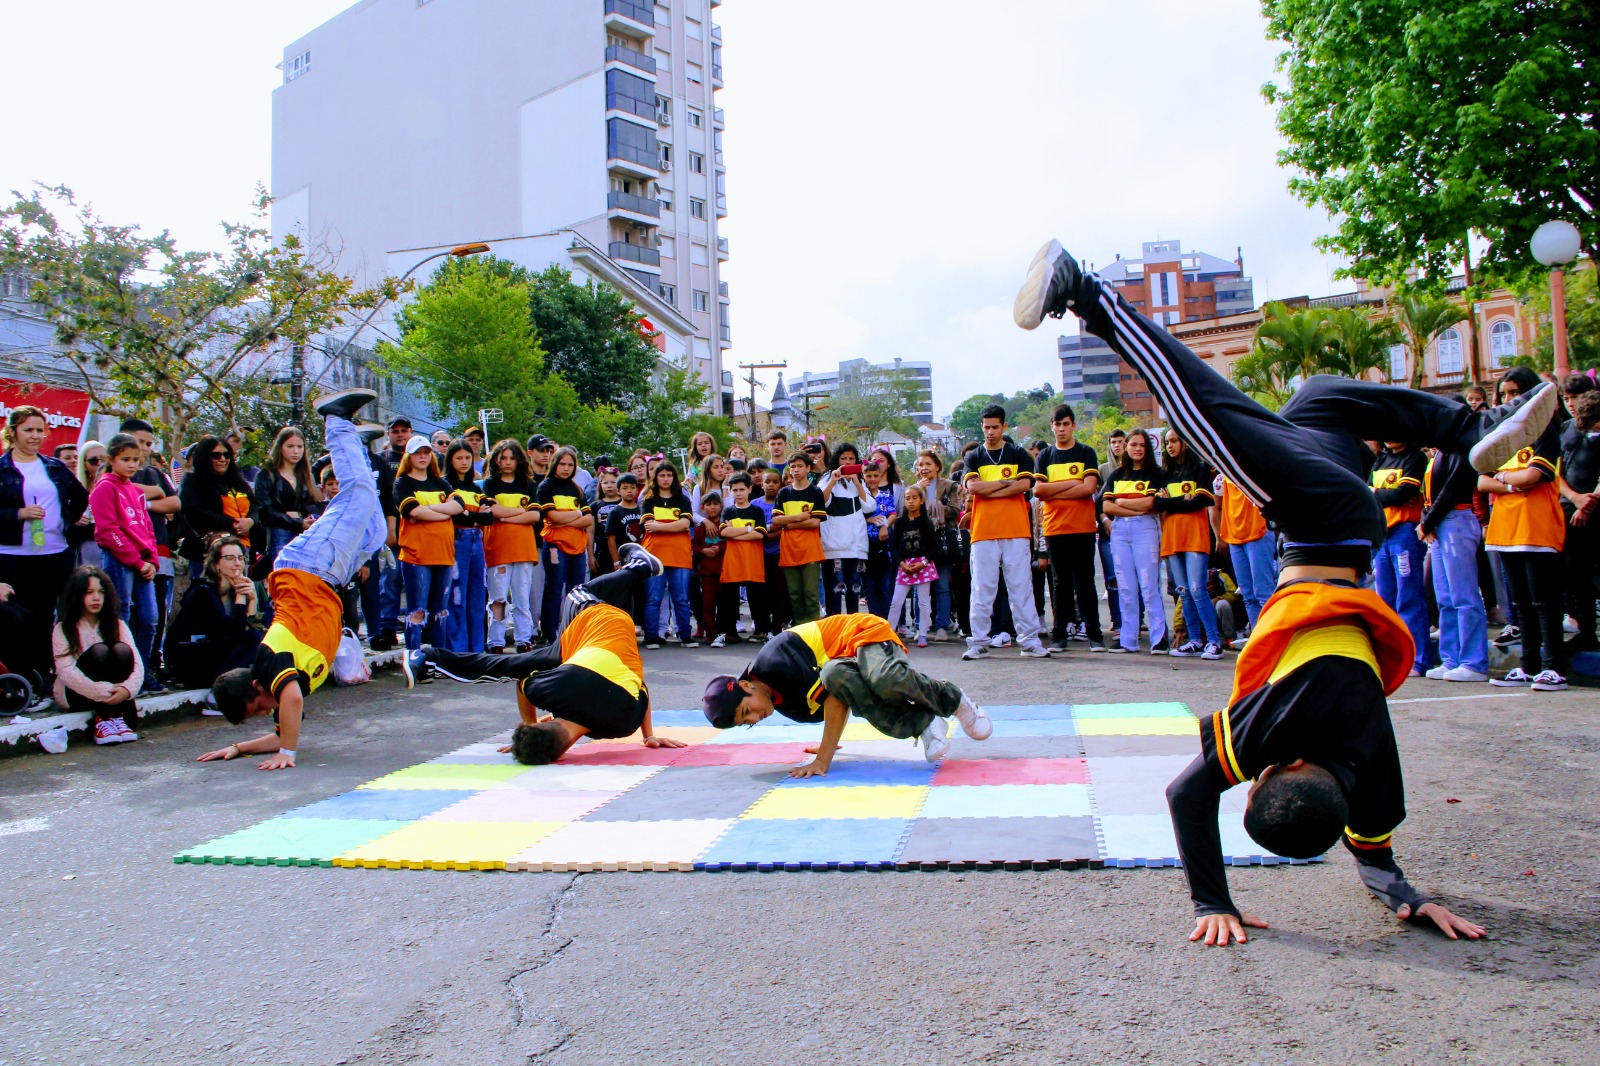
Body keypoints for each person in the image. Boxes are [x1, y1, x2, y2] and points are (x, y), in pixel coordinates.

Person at [1014, 238, 1549, 946]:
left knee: (1316, 399)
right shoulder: (1282, 728)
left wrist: (1406, 896)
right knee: (1204, 409)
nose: (1258, 769)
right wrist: (1212, 902)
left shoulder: (1363, 763)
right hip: (1315, 521)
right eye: (1264, 778)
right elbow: (1187, 792)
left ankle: (1465, 430)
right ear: (1287, 766)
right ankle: (1082, 290)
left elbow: (1375, 848)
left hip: (1343, 532)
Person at [200, 389, 386, 770]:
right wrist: (239, 747)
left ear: (255, 689)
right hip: (322, 573)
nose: (268, 712)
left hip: (308, 567)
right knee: (374, 533)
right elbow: (281, 730)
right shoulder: (275, 685)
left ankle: (335, 420)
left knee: (359, 494)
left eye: (258, 710)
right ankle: (357, 449)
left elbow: (292, 710)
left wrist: (288, 754)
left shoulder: (271, 663)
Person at [406, 545, 686, 763]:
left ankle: (429, 660)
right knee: (575, 594)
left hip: (589, 645)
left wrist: (648, 735)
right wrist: (529, 725)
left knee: (518, 662)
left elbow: (642, 689)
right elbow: (521, 683)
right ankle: (639, 567)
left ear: (561, 755)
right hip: (596, 624)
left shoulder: (622, 724)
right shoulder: (547, 692)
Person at [701, 613, 992, 775]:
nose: (755, 718)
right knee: (842, 681)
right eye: (747, 723)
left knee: (883, 678)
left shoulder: (774, 662)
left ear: (745, 685)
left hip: (862, 636)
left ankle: (953, 698)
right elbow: (844, 699)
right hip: (845, 666)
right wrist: (825, 743)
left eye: (746, 711)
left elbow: (834, 701)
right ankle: (925, 722)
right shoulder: (785, 704)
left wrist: (823, 758)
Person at [1483, 366, 1568, 691]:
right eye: (1504, 394)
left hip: (1537, 529)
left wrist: (1501, 479)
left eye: (1515, 392)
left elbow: (1535, 477)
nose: (1509, 399)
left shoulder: (1545, 430)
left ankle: (1554, 668)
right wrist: (1511, 482)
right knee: (1520, 605)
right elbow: (1480, 480)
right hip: (1505, 531)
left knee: (1544, 602)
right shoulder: (1501, 436)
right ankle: (1529, 665)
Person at [1, 406, 89, 691]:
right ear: (12, 431)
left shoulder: (53, 466)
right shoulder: (3, 468)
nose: (35, 436)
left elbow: (80, 497)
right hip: (13, 556)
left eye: (40, 430)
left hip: (53, 554)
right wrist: (18, 514)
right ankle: (19, 678)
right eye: (28, 430)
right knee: (18, 620)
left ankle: (43, 676)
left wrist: (64, 522)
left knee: (47, 618)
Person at [960, 405, 1050, 659]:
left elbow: (1025, 485)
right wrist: (1006, 484)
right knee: (982, 588)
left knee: (1021, 587)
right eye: (986, 427)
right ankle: (978, 641)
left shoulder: (1018, 453)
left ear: (1004, 427)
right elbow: (973, 489)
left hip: (1015, 529)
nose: (990, 432)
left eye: (995, 427)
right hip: (983, 531)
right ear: (982, 427)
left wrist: (991, 488)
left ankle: (1029, 640)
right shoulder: (974, 456)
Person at [90, 434, 162, 682]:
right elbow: (109, 531)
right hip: (120, 560)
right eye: (125, 459)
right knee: (123, 617)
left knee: (150, 619)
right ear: (111, 460)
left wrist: (152, 561)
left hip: (143, 563)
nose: (131, 465)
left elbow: (147, 528)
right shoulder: (105, 487)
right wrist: (136, 561)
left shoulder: (133, 490)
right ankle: (123, 672)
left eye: (135, 460)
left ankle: (141, 671)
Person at [1034, 403, 1105, 654]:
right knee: (1059, 584)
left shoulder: (1086, 452)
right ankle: (1059, 635)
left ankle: (1095, 635)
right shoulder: (1044, 456)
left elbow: (1089, 489)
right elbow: (1039, 491)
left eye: (1066, 424)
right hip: (1055, 529)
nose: (1062, 428)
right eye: (1057, 424)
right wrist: (1074, 483)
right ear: (1052, 427)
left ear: (1073, 425)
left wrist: (1057, 490)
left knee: (1085, 582)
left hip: (1083, 527)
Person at [1420, 429, 1489, 682]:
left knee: (1464, 595)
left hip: (1456, 522)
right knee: (1445, 598)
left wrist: (1427, 522)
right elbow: (1428, 495)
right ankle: (1451, 658)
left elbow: (1451, 490)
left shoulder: (1460, 450)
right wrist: (1427, 521)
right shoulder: (1437, 454)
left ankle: (1474, 661)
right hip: (1439, 526)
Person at [118, 418, 180, 691]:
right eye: (138, 442)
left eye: (147, 444)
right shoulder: (113, 476)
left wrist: (144, 500)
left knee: (153, 616)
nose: (143, 449)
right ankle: (126, 672)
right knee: (127, 614)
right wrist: (149, 496)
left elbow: (174, 502)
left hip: (157, 550)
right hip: (125, 554)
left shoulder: (155, 474)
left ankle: (148, 668)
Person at [52, 565, 144, 744]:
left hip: (115, 692)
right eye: (89, 592)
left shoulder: (117, 625)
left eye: (101, 592)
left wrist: (126, 690)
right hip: (77, 692)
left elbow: (137, 663)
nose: (96, 598)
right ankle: (102, 721)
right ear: (77, 595)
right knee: (100, 651)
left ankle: (116, 719)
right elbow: (66, 671)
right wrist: (102, 692)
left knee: (121, 650)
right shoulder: (63, 628)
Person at [393, 433, 464, 656]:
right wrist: (443, 510)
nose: (423, 457)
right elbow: (412, 510)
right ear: (409, 457)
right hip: (417, 555)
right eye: (418, 454)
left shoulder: (440, 482)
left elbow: (459, 505)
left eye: (426, 453)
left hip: (443, 554)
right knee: (417, 610)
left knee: (440, 611)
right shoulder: (402, 482)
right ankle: (414, 658)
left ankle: (439, 659)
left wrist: (429, 510)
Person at [164, 535, 262, 692]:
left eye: (241, 558)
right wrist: (242, 598)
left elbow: (253, 630)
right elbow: (229, 631)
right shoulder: (203, 591)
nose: (237, 563)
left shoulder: (233, 592)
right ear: (216, 563)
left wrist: (253, 601)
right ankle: (219, 693)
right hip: (190, 663)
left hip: (215, 656)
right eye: (230, 558)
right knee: (252, 638)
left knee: (257, 639)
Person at [1157, 430, 1223, 659]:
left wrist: (1170, 503)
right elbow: (1157, 502)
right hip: (1173, 537)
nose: (1170, 446)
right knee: (1183, 591)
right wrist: (1180, 501)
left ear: (1184, 442)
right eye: (1167, 442)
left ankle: (1214, 641)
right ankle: (1194, 640)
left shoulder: (1200, 469)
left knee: (1197, 589)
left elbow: (1203, 500)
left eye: (1174, 441)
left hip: (1195, 536)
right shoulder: (1165, 473)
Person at [1102, 432, 1167, 654]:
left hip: (1145, 528)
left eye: (1142, 445)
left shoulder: (1155, 474)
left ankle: (1159, 638)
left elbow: (1151, 503)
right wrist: (1127, 506)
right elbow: (1106, 507)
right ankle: (1127, 639)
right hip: (1120, 531)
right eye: (1133, 444)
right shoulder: (1117, 475)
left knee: (1149, 586)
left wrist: (1120, 501)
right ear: (1126, 447)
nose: (1137, 448)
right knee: (1126, 587)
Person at [1369, 440, 1430, 675]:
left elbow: (1405, 492)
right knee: (1385, 599)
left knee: (1409, 596)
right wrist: (1384, 494)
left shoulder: (1415, 458)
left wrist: (1379, 493)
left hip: (1405, 531)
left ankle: (1417, 658)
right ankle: (1391, 658)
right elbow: (1370, 491)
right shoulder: (1382, 459)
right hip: (1383, 533)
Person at [481, 439, 543, 653]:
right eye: (503, 458)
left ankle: (523, 638)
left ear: (519, 460)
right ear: (496, 460)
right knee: (498, 596)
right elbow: (492, 512)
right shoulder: (489, 484)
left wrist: (506, 516)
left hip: (524, 547)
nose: (507, 462)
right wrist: (520, 512)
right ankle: (496, 641)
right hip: (498, 547)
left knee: (521, 597)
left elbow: (535, 515)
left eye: (511, 458)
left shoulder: (528, 485)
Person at [537, 446, 594, 640]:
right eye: (562, 464)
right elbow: (552, 517)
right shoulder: (546, 486)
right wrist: (577, 515)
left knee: (576, 591)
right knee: (554, 589)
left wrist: (568, 518)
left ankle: (574, 633)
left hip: (578, 547)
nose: (566, 468)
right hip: (555, 545)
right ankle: (550, 634)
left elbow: (589, 519)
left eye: (570, 465)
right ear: (555, 464)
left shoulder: (576, 489)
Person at [179, 435, 256, 578]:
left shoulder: (238, 482)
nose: (222, 459)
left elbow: (255, 508)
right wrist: (232, 523)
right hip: (207, 552)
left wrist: (250, 521)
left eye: (226, 455)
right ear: (205, 457)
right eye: (216, 455)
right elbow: (193, 512)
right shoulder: (192, 481)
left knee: (240, 595)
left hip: (241, 550)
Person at [1559, 391, 1600, 655]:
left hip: (1591, 510)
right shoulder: (1567, 429)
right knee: (1576, 576)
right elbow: (1557, 469)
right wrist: (1574, 498)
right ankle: (1586, 633)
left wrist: (1588, 504)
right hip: (1569, 510)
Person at [639, 460, 696, 649]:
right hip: (654, 555)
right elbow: (648, 526)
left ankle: (685, 635)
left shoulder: (683, 499)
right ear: (655, 477)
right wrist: (674, 526)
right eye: (661, 475)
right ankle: (652, 636)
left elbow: (685, 524)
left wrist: (660, 526)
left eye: (669, 475)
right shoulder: (648, 499)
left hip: (679, 555)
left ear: (674, 477)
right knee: (654, 597)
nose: (665, 479)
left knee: (680, 597)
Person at [443, 438, 492, 653]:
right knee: (457, 597)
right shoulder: (445, 484)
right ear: (450, 460)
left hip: (476, 542)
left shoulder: (475, 487)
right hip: (456, 540)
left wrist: (466, 514)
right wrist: (474, 516)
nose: (464, 462)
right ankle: (458, 649)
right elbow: (455, 517)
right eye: (459, 458)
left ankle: (477, 649)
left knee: (477, 597)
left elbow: (488, 518)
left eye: (467, 458)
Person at [1216, 475, 1273, 647]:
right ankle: (1258, 641)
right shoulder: (1223, 475)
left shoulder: (1251, 464)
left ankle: (1270, 640)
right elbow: (1216, 507)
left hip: (1258, 532)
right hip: (1235, 536)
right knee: (1247, 594)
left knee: (1263, 592)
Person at [253, 427, 321, 571]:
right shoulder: (266, 475)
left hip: (305, 535)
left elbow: (313, 504)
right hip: (279, 533)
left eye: (299, 446)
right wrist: (295, 522)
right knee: (282, 576)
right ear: (280, 447)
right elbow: (265, 511)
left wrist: (305, 519)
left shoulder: (306, 476)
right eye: (290, 446)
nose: (296, 451)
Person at [912, 450, 962, 641]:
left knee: (942, 586)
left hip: (942, 542)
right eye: (920, 465)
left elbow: (955, 509)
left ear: (937, 467)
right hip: (920, 544)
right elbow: (907, 511)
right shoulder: (914, 488)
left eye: (928, 464)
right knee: (920, 589)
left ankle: (942, 626)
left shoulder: (949, 486)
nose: (924, 468)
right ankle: (920, 626)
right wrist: (919, 492)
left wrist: (937, 507)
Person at [774, 453, 827, 625]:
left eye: (799, 466)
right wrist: (799, 517)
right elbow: (776, 521)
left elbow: (815, 523)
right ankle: (799, 628)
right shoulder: (783, 493)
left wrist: (788, 523)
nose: (796, 470)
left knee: (811, 593)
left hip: (810, 550)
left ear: (808, 468)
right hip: (789, 550)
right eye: (793, 466)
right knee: (794, 593)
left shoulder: (815, 492)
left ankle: (813, 629)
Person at [718, 472, 768, 648]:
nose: (738, 493)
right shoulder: (728, 511)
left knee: (757, 597)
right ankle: (729, 632)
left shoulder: (756, 510)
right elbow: (724, 532)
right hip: (733, 561)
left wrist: (736, 533)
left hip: (753, 560)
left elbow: (760, 534)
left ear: (749, 489)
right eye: (735, 490)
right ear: (730, 491)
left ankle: (761, 630)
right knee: (729, 598)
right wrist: (747, 530)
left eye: (742, 489)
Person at [886, 483, 939, 647]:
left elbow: (933, 547)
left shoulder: (926, 522)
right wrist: (902, 564)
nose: (911, 502)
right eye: (907, 498)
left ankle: (922, 633)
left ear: (921, 501)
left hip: (923, 564)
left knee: (923, 601)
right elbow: (893, 546)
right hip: (905, 565)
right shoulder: (900, 522)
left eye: (914, 498)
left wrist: (923, 563)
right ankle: (888, 634)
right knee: (896, 601)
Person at [604, 472, 647, 628]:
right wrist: (616, 562)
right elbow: (611, 539)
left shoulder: (643, 510)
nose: (629, 491)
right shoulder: (615, 512)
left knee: (642, 593)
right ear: (618, 491)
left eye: (632, 487)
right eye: (625, 488)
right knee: (624, 595)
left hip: (642, 560)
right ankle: (625, 627)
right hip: (624, 561)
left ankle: (641, 625)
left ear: (637, 490)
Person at [692, 490, 732, 645]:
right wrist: (704, 550)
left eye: (716, 504)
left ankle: (723, 632)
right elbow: (694, 546)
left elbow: (731, 542)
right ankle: (710, 632)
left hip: (724, 570)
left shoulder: (726, 524)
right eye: (709, 504)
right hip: (707, 572)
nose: (713, 507)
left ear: (721, 506)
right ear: (702, 507)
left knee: (724, 603)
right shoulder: (701, 527)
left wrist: (719, 549)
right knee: (708, 604)